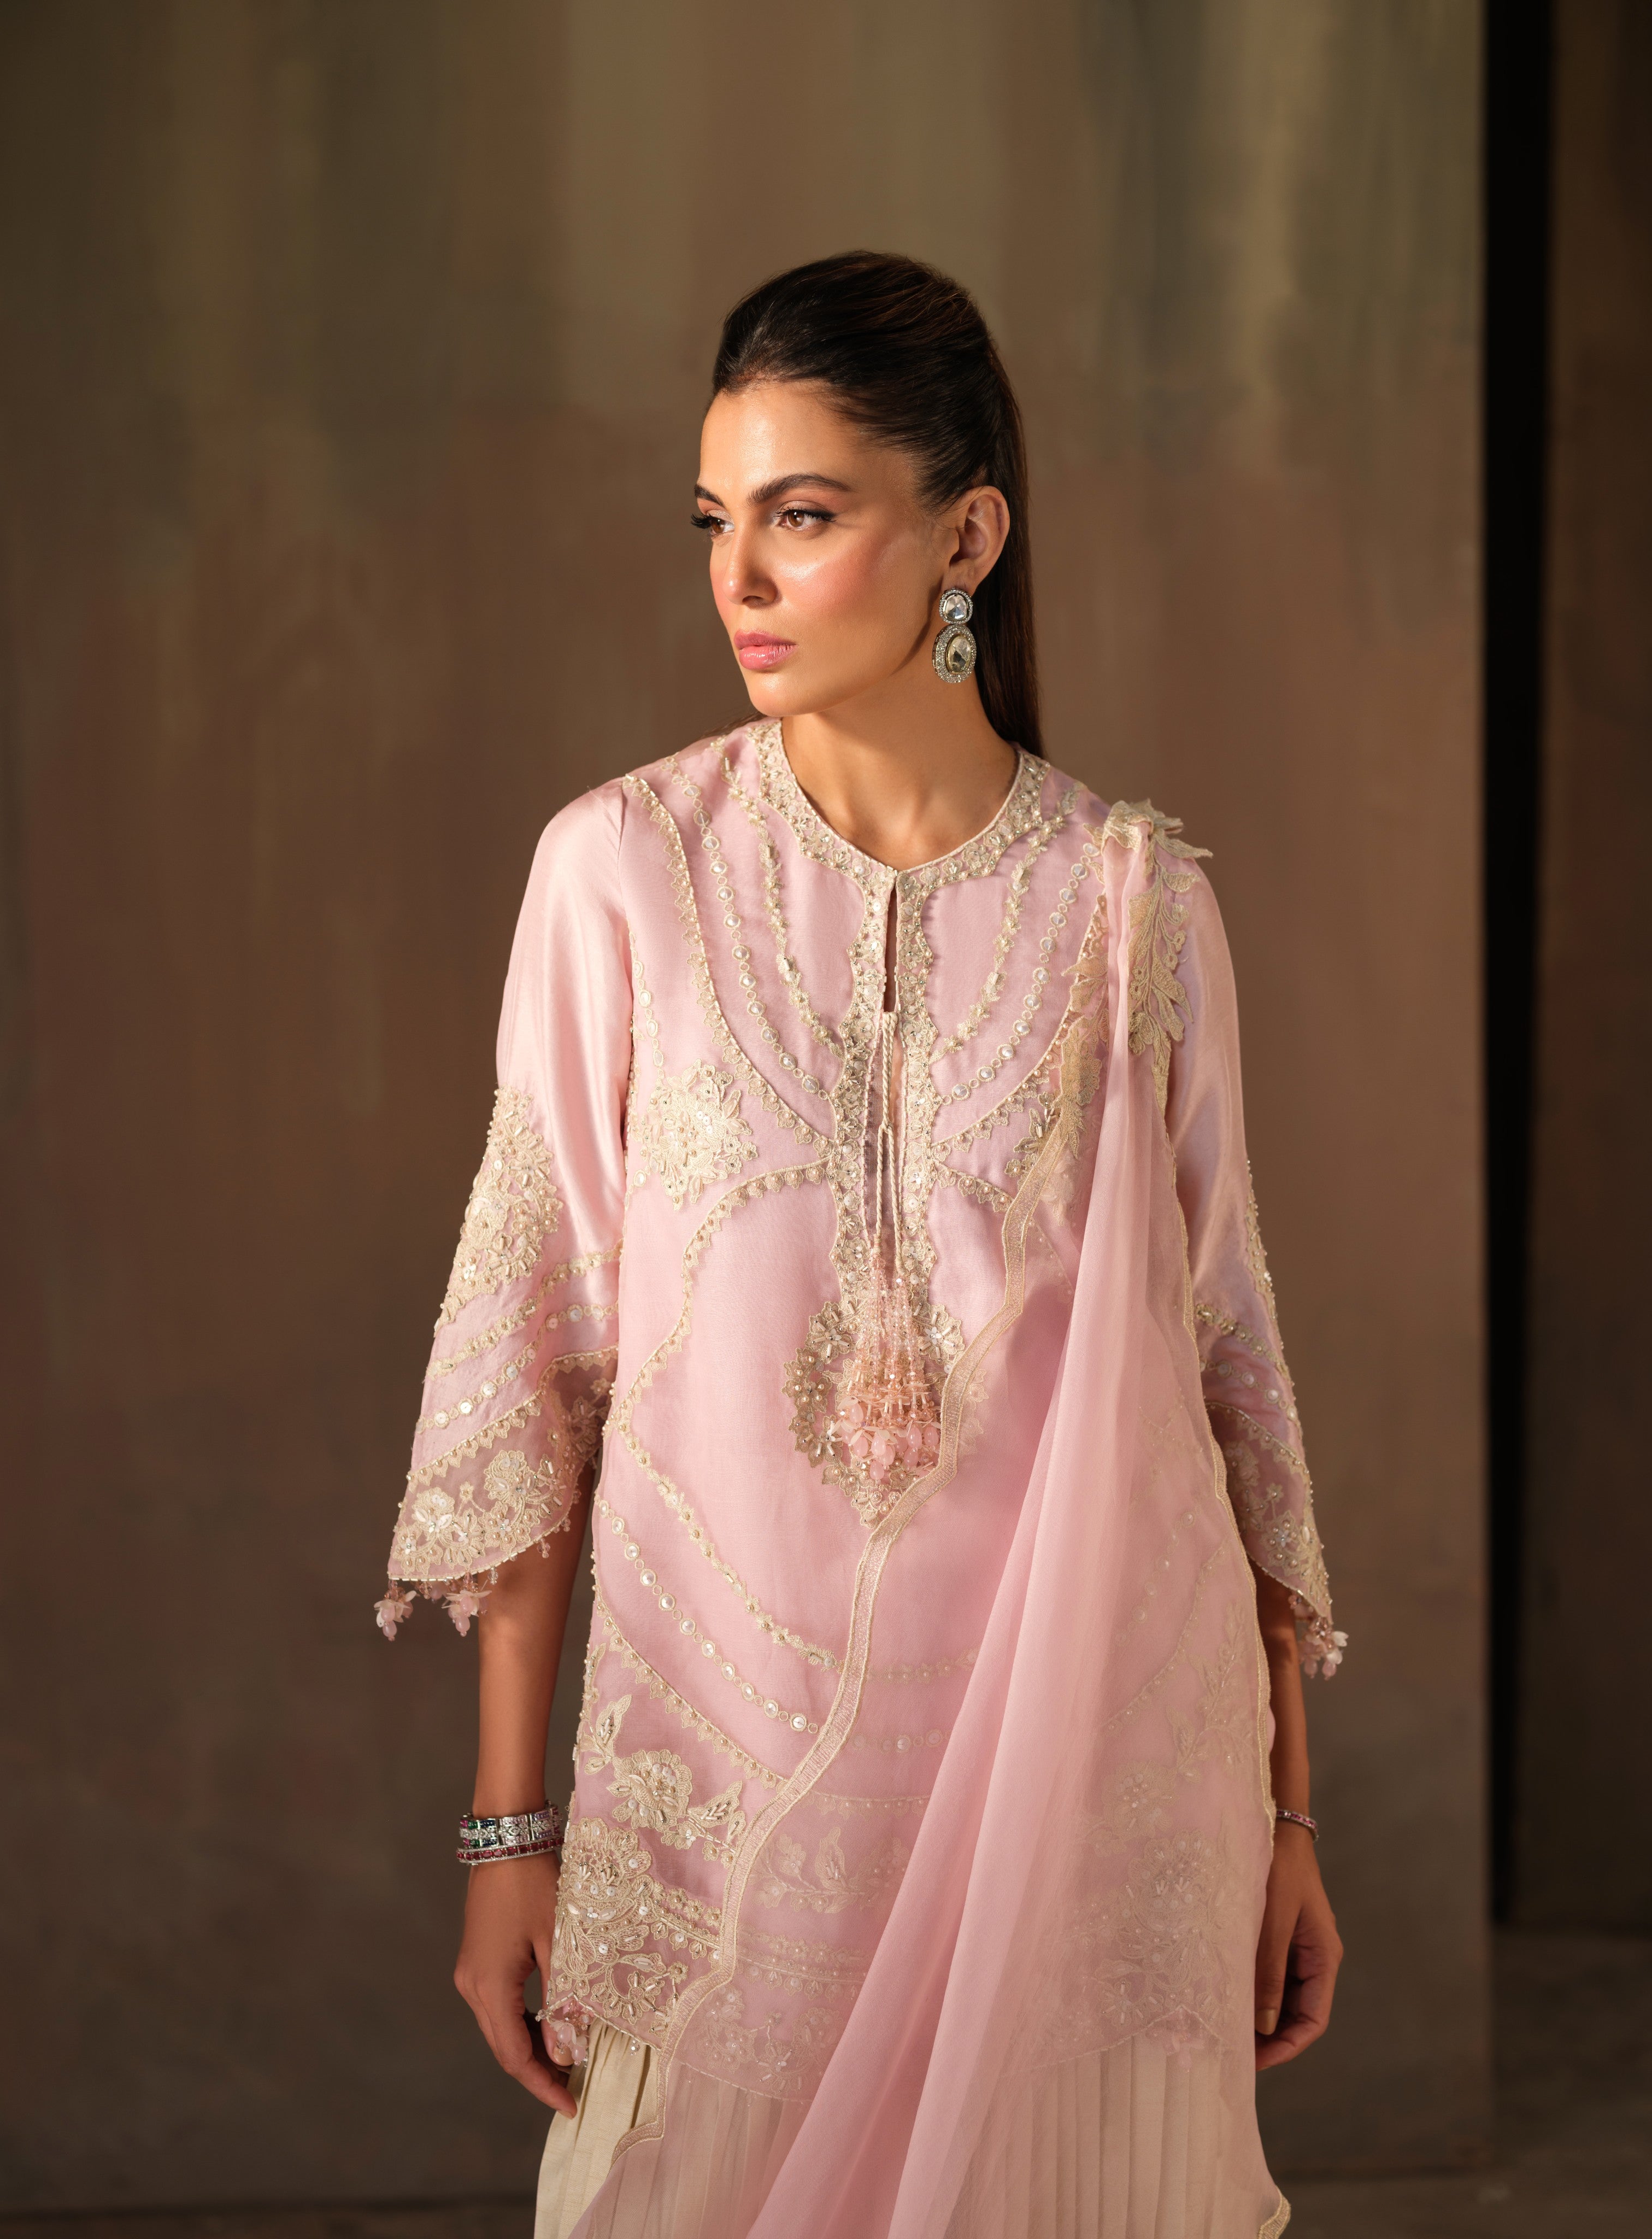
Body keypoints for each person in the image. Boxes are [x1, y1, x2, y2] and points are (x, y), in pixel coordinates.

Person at [378, 250, 1344, 2239]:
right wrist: (505, 1828)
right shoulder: (623, 876)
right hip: (725, 1825)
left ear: (967, 538)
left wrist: (1286, 1816)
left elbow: (1224, 1369)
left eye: (802, 518)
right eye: (715, 521)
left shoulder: (1131, 909)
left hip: (1092, 1817)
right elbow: (531, 1363)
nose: (738, 578)